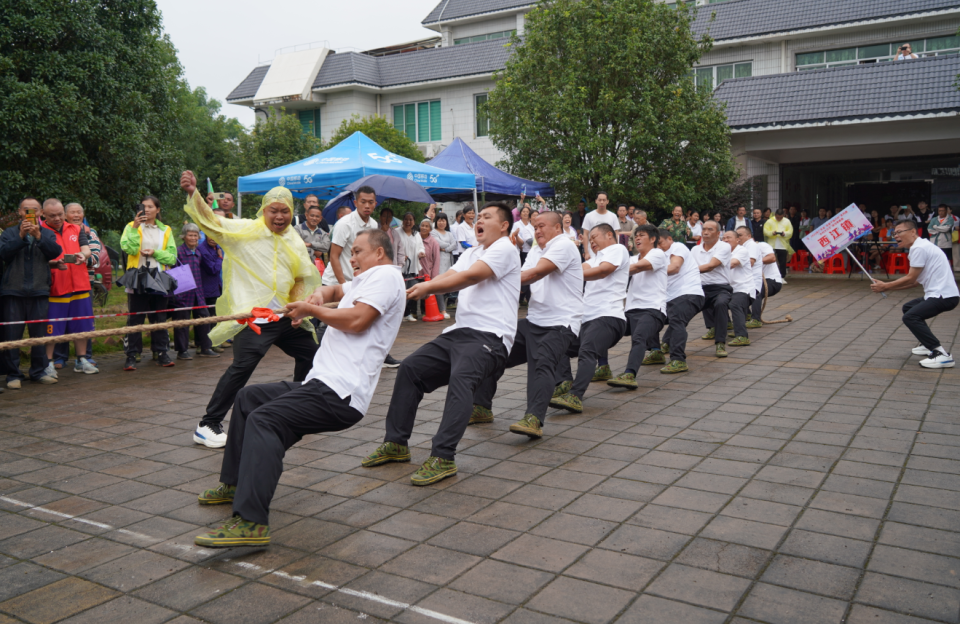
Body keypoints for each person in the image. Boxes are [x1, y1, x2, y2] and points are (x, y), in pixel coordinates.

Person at [194, 229, 405, 547]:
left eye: (359, 251)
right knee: (250, 398)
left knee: (266, 420)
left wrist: (312, 310)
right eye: (352, 252)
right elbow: (337, 288)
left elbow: (359, 319)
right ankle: (235, 485)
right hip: (321, 384)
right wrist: (321, 295)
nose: (352, 257)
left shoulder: (387, 277)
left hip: (340, 392)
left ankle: (252, 523)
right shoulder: (367, 280)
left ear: (379, 252)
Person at [361, 203, 519, 486]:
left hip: (491, 337)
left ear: (504, 225)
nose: (479, 220)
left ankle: (443, 456)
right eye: (478, 216)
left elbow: (470, 277)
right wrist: (418, 286)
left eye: (486, 217)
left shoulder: (505, 248)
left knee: (461, 380)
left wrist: (428, 288)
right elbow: (448, 276)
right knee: (410, 369)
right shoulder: (471, 252)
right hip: (459, 332)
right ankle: (396, 443)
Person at [179, 170, 322, 449]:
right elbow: (211, 222)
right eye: (273, 211)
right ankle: (208, 423)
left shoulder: (293, 238)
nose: (279, 217)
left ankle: (297, 406)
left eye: (284, 211)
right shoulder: (245, 230)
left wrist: (299, 309)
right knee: (243, 366)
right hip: (253, 317)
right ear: (264, 210)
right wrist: (193, 194)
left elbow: (302, 276)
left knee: (311, 353)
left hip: (284, 315)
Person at [473, 211, 583, 437]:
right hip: (534, 321)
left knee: (543, 362)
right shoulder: (536, 249)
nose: (537, 231)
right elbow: (521, 274)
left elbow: (533, 273)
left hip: (561, 323)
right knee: (495, 353)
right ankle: (481, 407)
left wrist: (488, 273)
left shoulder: (564, 245)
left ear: (557, 228)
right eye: (534, 227)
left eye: (541, 226)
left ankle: (533, 418)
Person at [551, 223, 630, 411]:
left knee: (587, 352)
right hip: (586, 318)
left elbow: (602, 271)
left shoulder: (617, 249)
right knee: (557, 345)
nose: (591, 241)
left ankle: (575, 396)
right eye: (590, 238)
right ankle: (565, 382)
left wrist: (568, 275)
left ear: (609, 235)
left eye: (595, 237)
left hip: (608, 316)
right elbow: (578, 269)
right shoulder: (594, 259)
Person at [871, 220, 958, 369]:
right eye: (894, 233)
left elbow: (910, 278)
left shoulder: (919, 248)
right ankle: (927, 345)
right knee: (909, 308)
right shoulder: (921, 246)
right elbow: (914, 283)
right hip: (941, 294)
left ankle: (941, 354)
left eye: (899, 232)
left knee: (911, 316)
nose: (896, 236)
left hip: (943, 296)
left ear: (913, 232)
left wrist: (886, 285)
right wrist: (886, 288)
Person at [0, 198, 61, 388]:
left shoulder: (47, 233)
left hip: (39, 290)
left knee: (39, 334)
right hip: (13, 291)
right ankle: (13, 375)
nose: (30, 213)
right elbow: (4, 254)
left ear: (40, 213)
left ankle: (38, 371)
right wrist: (20, 236)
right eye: (26, 210)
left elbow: (55, 252)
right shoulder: (9, 233)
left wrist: (39, 237)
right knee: (12, 335)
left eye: (34, 210)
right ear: (19, 212)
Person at [602, 223, 668, 389]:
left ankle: (630, 374)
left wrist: (609, 270)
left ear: (653, 239)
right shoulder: (630, 259)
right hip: (630, 311)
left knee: (638, 337)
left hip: (652, 310)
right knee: (602, 331)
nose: (637, 238)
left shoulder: (658, 254)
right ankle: (602, 367)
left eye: (642, 235)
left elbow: (638, 267)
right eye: (636, 236)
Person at [39, 199, 98, 376]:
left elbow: (86, 249)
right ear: (43, 215)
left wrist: (82, 254)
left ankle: (81, 360)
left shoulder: (77, 228)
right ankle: (47, 363)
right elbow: (38, 259)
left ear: (64, 214)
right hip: (56, 286)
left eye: (59, 215)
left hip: (80, 284)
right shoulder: (40, 232)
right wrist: (54, 264)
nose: (57, 218)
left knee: (82, 325)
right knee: (53, 328)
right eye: (52, 216)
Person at [119, 194, 177, 370]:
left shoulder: (166, 230)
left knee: (159, 317)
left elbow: (172, 257)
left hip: (159, 277)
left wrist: (155, 253)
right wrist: (135, 228)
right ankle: (132, 354)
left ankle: (161, 352)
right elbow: (129, 248)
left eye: (151, 206)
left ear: (158, 210)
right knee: (135, 317)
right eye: (143, 206)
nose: (147, 210)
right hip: (137, 277)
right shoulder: (130, 226)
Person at [649, 228, 704, 373]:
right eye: (656, 245)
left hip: (688, 293)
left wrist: (647, 269)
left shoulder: (677, 246)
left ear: (669, 239)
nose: (659, 247)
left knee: (677, 320)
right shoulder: (657, 254)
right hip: (669, 297)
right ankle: (656, 352)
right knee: (650, 316)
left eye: (660, 243)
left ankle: (678, 360)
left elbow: (675, 267)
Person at [172, 224, 219, 360]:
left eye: (195, 235)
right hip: (183, 293)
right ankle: (182, 351)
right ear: (184, 237)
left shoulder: (198, 252)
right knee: (182, 322)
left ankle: (205, 347)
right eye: (190, 235)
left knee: (204, 319)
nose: (193, 238)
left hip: (198, 292)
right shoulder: (178, 252)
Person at [692, 221, 733, 358]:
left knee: (721, 304)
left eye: (710, 229)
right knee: (682, 310)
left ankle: (720, 343)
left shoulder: (724, 247)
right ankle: (667, 343)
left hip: (720, 287)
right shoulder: (695, 250)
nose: (706, 232)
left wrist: (687, 271)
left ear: (718, 233)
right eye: (704, 229)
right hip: (700, 288)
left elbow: (711, 266)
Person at [323, 190, 378, 288]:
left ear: (375, 204)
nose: (367, 206)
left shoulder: (374, 225)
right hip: (335, 282)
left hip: (356, 282)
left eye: (371, 202)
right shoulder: (344, 224)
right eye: (363, 201)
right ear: (355, 203)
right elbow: (334, 256)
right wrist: (344, 286)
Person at [722, 230, 754, 347]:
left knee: (735, 304)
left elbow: (733, 263)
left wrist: (713, 264)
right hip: (728, 289)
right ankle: (716, 328)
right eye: (723, 238)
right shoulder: (722, 252)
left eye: (728, 238)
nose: (725, 240)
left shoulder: (742, 250)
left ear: (737, 240)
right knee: (709, 298)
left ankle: (742, 336)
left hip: (744, 289)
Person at [745, 230, 782, 326]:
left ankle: (756, 320)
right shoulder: (741, 250)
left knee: (756, 291)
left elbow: (772, 258)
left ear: (750, 237)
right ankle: (747, 315)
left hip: (772, 280)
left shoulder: (761, 245)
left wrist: (755, 261)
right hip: (754, 280)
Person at [397, 212, 426, 322]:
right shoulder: (397, 232)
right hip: (400, 266)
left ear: (414, 222)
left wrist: (421, 253)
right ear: (403, 220)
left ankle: (407, 313)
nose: (408, 222)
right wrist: (400, 257)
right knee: (400, 290)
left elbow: (420, 247)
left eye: (411, 220)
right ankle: (399, 313)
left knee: (410, 290)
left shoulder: (416, 234)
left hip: (413, 265)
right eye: (406, 219)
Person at [430, 213, 456, 319]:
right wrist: (448, 247)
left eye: (444, 220)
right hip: (438, 261)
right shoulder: (433, 232)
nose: (441, 222)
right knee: (439, 283)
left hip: (448, 262)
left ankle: (441, 307)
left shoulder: (449, 233)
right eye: (439, 220)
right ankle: (442, 310)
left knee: (446, 284)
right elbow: (438, 243)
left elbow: (455, 244)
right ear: (436, 221)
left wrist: (446, 249)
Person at [582, 192, 620, 260]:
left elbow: (616, 234)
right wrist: (586, 252)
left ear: (607, 201)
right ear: (596, 201)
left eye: (604, 200)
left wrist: (616, 250)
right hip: (593, 252)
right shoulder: (589, 216)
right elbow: (585, 234)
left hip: (609, 251)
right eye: (599, 200)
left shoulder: (613, 216)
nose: (602, 202)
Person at [512, 205, 536, 306]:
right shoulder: (517, 225)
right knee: (524, 273)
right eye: (523, 212)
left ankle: (526, 297)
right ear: (520, 214)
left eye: (527, 212)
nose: (525, 213)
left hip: (533, 252)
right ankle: (521, 296)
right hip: (523, 252)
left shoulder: (534, 226)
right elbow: (522, 241)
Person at [764, 208, 794, 277]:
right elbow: (765, 231)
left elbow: (790, 232)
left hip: (782, 245)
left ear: (783, 215)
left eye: (781, 217)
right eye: (777, 217)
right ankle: (770, 275)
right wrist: (771, 233)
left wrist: (784, 234)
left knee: (782, 262)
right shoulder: (770, 221)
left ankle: (782, 276)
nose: (779, 219)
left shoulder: (787, 221)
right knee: (771, 261)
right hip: (771, 244)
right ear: (775, 215)